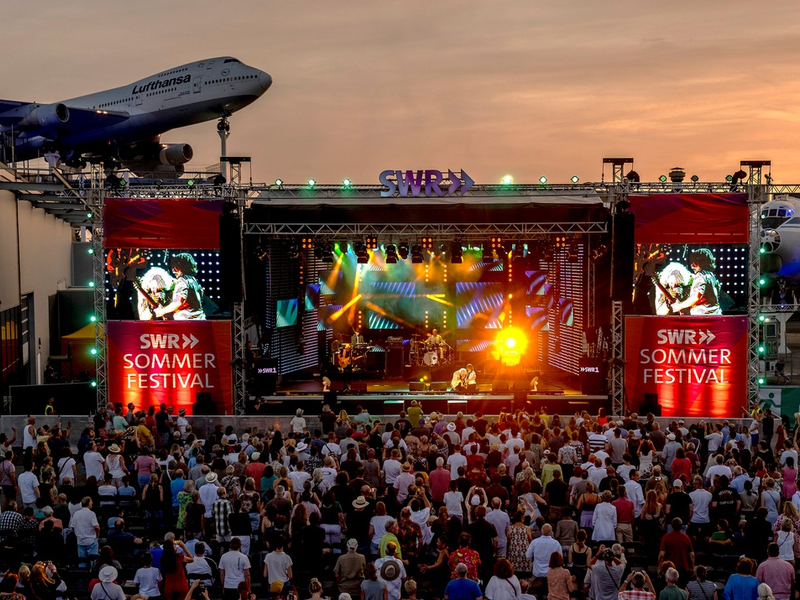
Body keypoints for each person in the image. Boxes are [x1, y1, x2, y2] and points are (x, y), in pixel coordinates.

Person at [154, 252, 205, 320]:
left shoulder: (182, 280)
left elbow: (178, 302)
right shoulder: (194, 281)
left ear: (181, 266)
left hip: (186, 322)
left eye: (175, 267)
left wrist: (161, 311)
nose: (173, 270)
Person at [671, 248, 722, 315]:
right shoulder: (712, 276)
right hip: (716, 315)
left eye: (695, 262)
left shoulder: (700, 276)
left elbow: (696, 297)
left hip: (702, 316)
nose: (692, 266)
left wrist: (679, 306)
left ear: (702, 262)